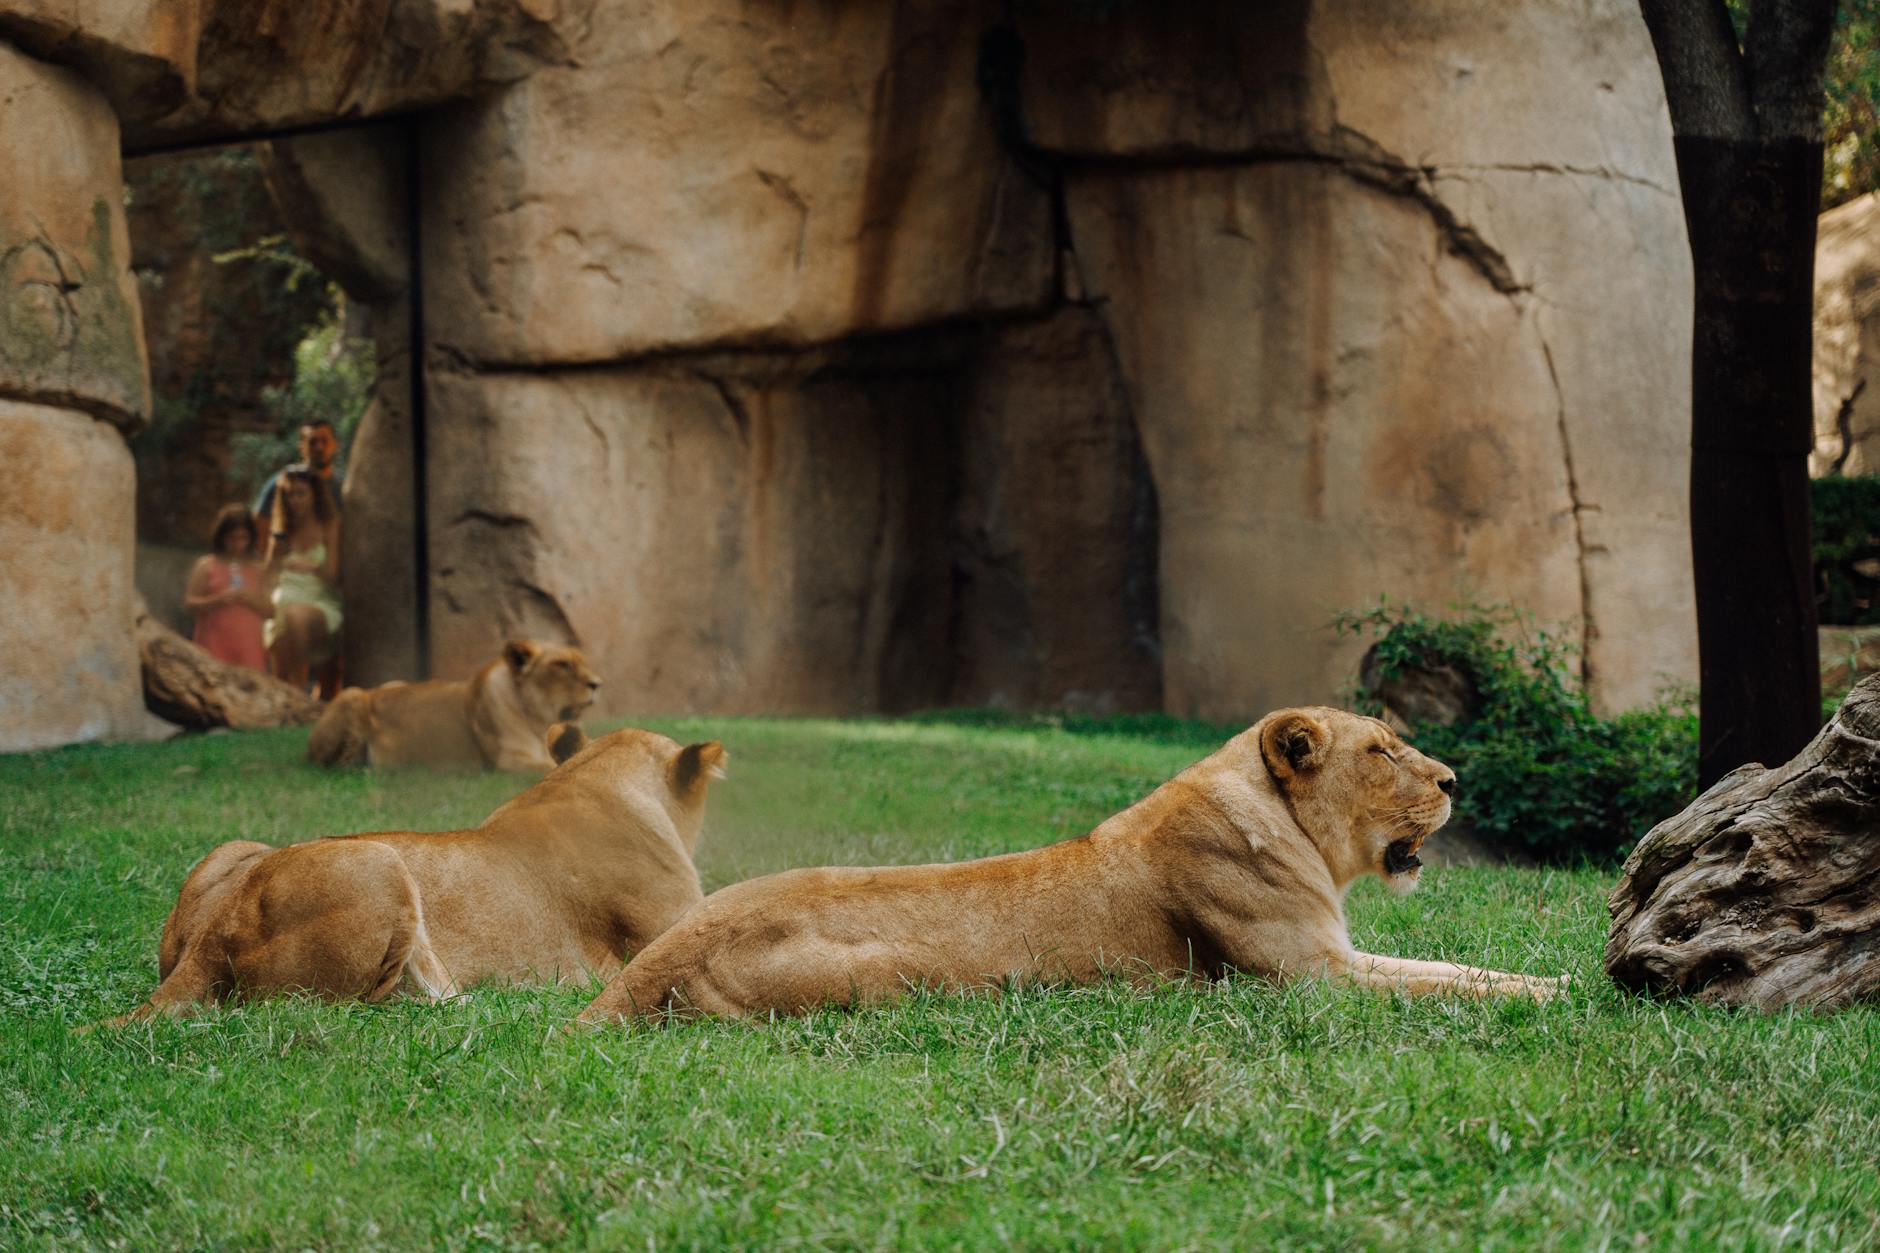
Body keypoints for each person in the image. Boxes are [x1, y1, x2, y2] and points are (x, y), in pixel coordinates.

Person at [265, 468, 343, 691]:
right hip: (283, 601)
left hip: (319, 602)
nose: (294, 501)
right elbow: (267, 578)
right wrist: (276, 558)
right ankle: (284, 699)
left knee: (294, 615)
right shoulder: (281, 530)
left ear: (314, 495)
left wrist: (311, 566)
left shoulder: (329, 525)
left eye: (301, 494)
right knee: (278, 619)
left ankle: (299, 688)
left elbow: (332, 576)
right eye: (289, 495)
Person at [182, 505, 273, 672]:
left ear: (251, 538)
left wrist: (251, 599)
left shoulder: (259, 569)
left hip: (249, 648)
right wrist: (217, 600)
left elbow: (271, 611)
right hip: (213, 644)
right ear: (221, 536)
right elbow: (189, 602)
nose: (237, 544)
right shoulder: (207, 565)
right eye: (232, 538)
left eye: (243, 538)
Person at [253, 419, 342, 523]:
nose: (319, 447)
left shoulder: (343, 487)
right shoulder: (282, 483)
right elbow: (260, 527)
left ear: (335, 445)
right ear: (301, 447)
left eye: (324, 441)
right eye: (312, 442)